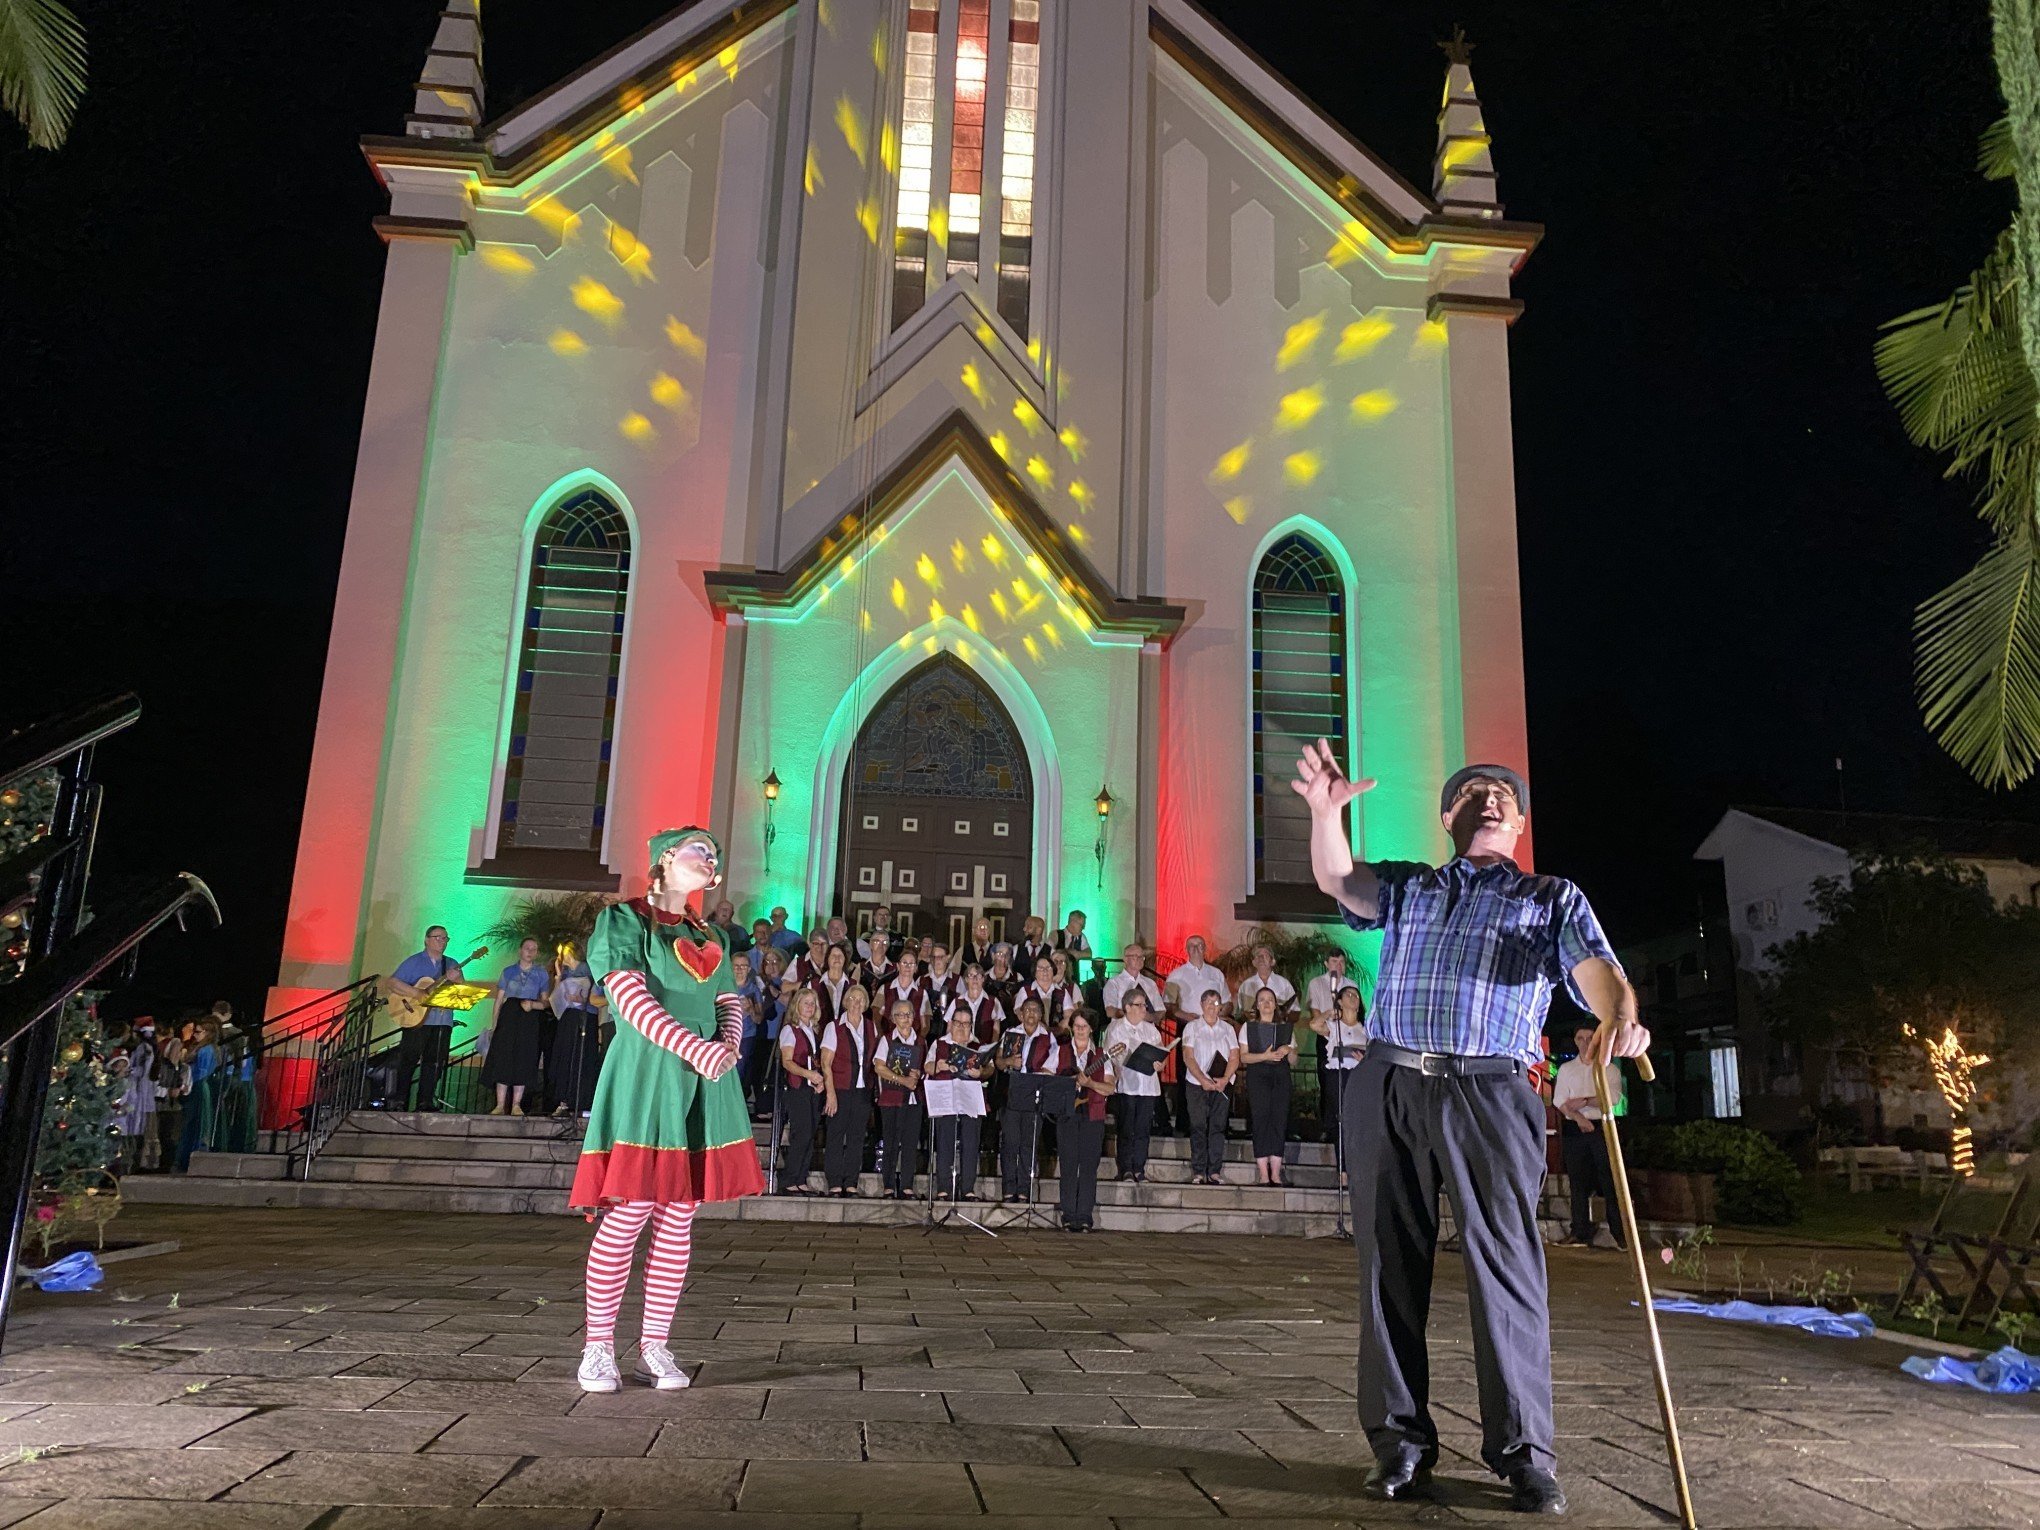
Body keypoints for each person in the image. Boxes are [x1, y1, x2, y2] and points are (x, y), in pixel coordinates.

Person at [1294, 745, 1646, 1514]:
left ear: (1519, 823)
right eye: (1470, 793)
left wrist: (1619, 1014)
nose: (1487, 799)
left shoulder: (1549, 896)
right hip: (1389, 1082)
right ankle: (1400, 1446)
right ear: (1447, 817)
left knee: (1508, 1271)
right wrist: (1327, 816)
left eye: (1502, 796)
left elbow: (1597, 974)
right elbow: (1339, 880)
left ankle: (1523, 1453)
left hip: (1490, 1091)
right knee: (1389, 1267)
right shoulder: (1413, 886)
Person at [572, 827, 764, 1395]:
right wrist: (694, 1047)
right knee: (632, 1208)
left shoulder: (714, 935)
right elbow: (628, 995)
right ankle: (598, 1348)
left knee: (679, 1213)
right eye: (697, 849)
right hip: (651, 1068)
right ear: (663, 859)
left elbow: (729, 1000)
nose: (709, 858)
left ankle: (654, 1344)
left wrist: (727, 1044)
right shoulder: (626, 919)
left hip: (702, 1074)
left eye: (714, 855)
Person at [1552, 1023, 1625, 1250]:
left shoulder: (1608, 1069)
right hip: (1576, 1126)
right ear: (1575, 1041)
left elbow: (1611, 1097)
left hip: (1602, 1126)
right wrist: (1578, 1116)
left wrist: (1582, 1101)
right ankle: (1580, 1230)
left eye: (1589, 1038)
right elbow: (1560, 1101)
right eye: (1580, 1038)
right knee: (1578, 1181)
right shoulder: (1566, 1069)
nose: (1584, 1043)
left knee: (1609, 1180)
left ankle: (1620, 1232)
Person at [388, 925, 467, 1112]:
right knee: (408, 1060)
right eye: (438, 937)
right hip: (415, 1020)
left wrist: (457, 980)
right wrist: (417, 992)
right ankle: (400, 1100)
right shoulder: (414, 962)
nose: (442, 941)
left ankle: (425, 1101)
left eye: (446, 938)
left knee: (435, 1062)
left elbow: (462, 991)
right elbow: (392, 982)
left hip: (442, 1021)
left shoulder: (451, 963)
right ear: (426, 939)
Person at [995, 997, 1060, 1202]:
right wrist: (1008, 1061)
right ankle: (1008, 1188)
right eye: (1027, 1010)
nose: (1031, 1014)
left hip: (1034, 1093)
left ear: (1041, 1015)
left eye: (1035, 1010)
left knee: (1028, 1143)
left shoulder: (1048, 1038)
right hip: (1011, 1092)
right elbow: (998, 1061)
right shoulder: (1010, 1034)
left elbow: (1052, 1067)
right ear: (1021, 1014)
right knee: (1010, 1142)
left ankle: (1024, 1189)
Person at [1162, 936, 1228, 1137]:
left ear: (1205, 948)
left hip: (1214, 1030)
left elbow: (1227, 1001)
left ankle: (1216, 1123)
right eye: (1192, 946)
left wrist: (1219, 1015)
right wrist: (1187, 1016)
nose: (1196, 949)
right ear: (1186, 950)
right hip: (1189, 1028)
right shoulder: (1176, 975)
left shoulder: (1216, 974)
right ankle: (1185, 1123)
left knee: (1216, 1070)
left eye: (1200, 945)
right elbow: (1169, 1006)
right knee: (1187, 1075)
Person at [1057, 1013, 1115, 1232]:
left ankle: (1084, 1216)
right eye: (1077, 1026)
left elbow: (1110, 1088)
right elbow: (1049, 1077)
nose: (1080, 1030)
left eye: (1084, 1026)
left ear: (1091, 1029)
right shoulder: (1060, 1051)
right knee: (1069, 1164)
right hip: (1067, 1114)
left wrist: (1090, 1083)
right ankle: (1068, 1214)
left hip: (1093, 1114)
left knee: (1089, 1166)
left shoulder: (1101, 1056)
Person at [926, 1006, 989, 1199]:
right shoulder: (939, 1044)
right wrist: (937, 1066)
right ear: (951, 1023)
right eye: (958, 1022)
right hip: (946, 1096)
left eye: (966, 1023)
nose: (961, 1027)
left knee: (970, 1143)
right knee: (945, 1142)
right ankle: (944, 1187)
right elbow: (927, 1066)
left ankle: (968, 1188)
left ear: (971, 1025)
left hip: (970, 1097)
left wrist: (981, 1072)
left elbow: (990, 1070)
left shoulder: (978, 1046)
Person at [820, 982, 876, 1197]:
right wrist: (830, 1093)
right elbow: (826, 1063)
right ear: (845, 1002)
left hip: (862, 1091)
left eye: (860, 999)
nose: (856, 1003)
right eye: (852, 999)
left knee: (856, 1138)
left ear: (865, 1004)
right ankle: (834, 1182)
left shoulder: (871, 1026)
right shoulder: (834, 1027)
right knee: (835, 1136)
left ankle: (851, 1182)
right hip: (840, 1090)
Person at [484, 938, 551, 1116]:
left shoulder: (541, 974)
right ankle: (499, 1104)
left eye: (534, 949)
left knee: (524, 1058)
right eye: (527, 948)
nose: (530, 951)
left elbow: (546, 1002)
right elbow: (499, 1000)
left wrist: (534, 1005)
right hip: (510, 1015)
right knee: (504, 1058)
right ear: (520, 950)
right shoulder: (509, 971)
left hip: (529, 1017)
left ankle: (516, 1104)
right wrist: (494, 1025)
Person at [1102, 987, 1163, 1182]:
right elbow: (1113, 1055)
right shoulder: (1116, 1028)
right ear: (1127, 1007)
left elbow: (1160, 1051)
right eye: (1139, 1005)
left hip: (1148, 1086)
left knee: (1143, 1129)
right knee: (1127, 1128)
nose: (1144, 1009)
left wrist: (1159, 1063)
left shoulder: (1150, 1029)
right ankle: (1126, 1168)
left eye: (1145, 1005)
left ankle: (1139, 1168)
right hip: (1128, 1084)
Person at [1239, 984, 1297, 1184]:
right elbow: (1244, 1057)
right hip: (1258, 1073)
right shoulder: (1249, 1027)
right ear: (1256, 1004)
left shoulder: (1284, 1028)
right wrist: (1265, 1055)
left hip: (1280, 1074)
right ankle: (1263, 1172)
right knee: (1261, 1118)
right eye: (1262, 999)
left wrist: (1288, 1051)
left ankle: (1276, 1172)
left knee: (1279, 1119)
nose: (1266, 1003)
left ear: (1275, 1005)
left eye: (1270, 1000)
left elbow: (1294, 1060)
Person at [1181, 989, 1239, 1185]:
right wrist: (1203, 1079)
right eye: (1208, 1002)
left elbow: (1234, 1056)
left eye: (1216, 1003)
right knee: (1198, 1125)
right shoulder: (1192, 1027)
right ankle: (1198, 1170)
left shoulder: (1227, 1029)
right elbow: (1188, 1056)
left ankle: (1214, 1170)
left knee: (1217, 1126)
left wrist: (1224, 1078)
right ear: (1201, 1004)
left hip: (1221, 1084)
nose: (1212, 1007)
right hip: (1197, 1084)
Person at [873, 1000, 926, 1199]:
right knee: (891, 1141)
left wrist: (918, 1074)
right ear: (894, 1018)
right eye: (901, 1015)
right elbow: (879, 1067)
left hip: (913, 1099)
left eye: (909, 1015)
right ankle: (888, 1185)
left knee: (911, 1143)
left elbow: (925, 1068)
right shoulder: (887, 1040)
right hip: (891, 1098)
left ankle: (906, 1186)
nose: (906, 1019)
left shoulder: (920, 1041)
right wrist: (902, 1079)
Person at [776, 987, 826, 1194]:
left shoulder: (812, 1031)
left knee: (810, 1133)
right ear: (797, 1005)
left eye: (812, 1003)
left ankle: (801, 1177)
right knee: (801, 1133)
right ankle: (790, 1178)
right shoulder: (790, 1030)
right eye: (806, 1003)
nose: (809, 1007)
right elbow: (788, 1062)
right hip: (797, 1088)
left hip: (811, 1088)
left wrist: (818, 1080)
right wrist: (809, 1075)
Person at [1311, 983, 1369, 1154]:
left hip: (1358, 1075)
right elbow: (1314, 1025)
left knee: (1358, 1119)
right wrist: (1329, 1012)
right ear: (1340, 1002)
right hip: (1338, 1075)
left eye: (1356, 995)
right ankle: (1342, 1167)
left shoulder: (1365, 1029)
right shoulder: (1334, 1026)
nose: (1352, 998)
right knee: (1341, 1118)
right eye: (1348, 995)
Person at [1307, 950, 1361, 1127]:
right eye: (1334, 961)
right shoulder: (1317, 983)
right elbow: (1314, 1013)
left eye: (1341, 962)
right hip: (1327, 1032)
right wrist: (1330, 1022)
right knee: (1326, 1080)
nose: (1338, 966)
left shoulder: (1351, 984)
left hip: (1349, 1034)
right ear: (1326, 964)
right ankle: (1327, 1123)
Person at [550, 942, 600, 1118]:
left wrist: (581, 997)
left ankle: (581, 1101)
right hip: (568, 1017)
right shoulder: (565, 972)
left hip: (585, 1016)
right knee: (566, 1057)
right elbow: (555, 995)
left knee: (581, 1057)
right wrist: (557, 975)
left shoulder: (587, 969)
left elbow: (595, 992)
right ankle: (563, 1101)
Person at [175, 1016, 223, 1172]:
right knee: (192, 1122)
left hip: (198, 1086)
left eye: (198, 1032)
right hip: (198, 1086)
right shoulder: (205, 1048)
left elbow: (201, 1072)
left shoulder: (206, 1049)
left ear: (207, 1033)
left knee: (195, 1122)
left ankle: (190, 1156)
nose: (195, 1035)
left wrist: (188, 1084)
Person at [121, 1018, 160, 1172]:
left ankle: (136, 1163)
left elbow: (142, 1070)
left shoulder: (144, 1049)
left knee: (136, 1129)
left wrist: (127, 1071)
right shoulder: (148, 1048)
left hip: (139, 1094)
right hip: (144, 1094)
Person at [1235, 945, 1298, 1022]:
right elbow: (1239, 1014)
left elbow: (1296, 1012)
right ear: (1254, 962)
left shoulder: (1284, 984)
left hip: (1279, 1030)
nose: (1261, 958)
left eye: (1265, 955)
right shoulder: (1245, 986)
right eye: (1258, 956)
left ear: (1272, 962)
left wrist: (1281, 1017)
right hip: (1252, 1030)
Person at [947, 964, 1004, 1045]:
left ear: (983, 979)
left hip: (983, 1049)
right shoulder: (956, 1002)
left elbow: (996, 1032)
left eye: (979, 975)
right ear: (966, 979)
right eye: (971, 975)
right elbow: (949, 1028)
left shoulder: (993, 1002)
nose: (975, 979)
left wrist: (991, 1049)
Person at [857, 906, 901, 978]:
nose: (883, 917)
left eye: (886, 915)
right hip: (869, 971)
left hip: (892, 971)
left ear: (890, 918)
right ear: (874, 918)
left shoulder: (898, 937)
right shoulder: (866, 936)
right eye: (880, 914)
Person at [1014, 915, 1052, 980]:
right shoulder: (1016, 949)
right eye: (1025, 926)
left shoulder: (1050, 951)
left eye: (1029, 927)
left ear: (1039, 930)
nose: (1024, 929)